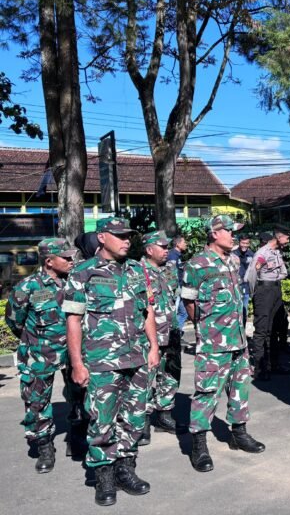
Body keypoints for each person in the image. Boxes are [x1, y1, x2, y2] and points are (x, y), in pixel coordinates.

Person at [63, 217, 160, 506]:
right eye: (119, 235)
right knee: (102, 421)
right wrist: (77, 364)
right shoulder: (83, 272)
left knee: (134, 418)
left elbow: (147, 312)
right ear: (102, 237)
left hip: (138, 358)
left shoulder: (136, 269)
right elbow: (74, 320)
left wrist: (153, 347)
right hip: (102, 361)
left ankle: (125, 468)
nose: (127, 240)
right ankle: (103, 474)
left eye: (129, 235)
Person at [182, 215, 264, 474]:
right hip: (213, 343)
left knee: (240, 388)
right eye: (229, 231)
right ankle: (198, 444)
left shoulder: (233, 260)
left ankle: (238, 433)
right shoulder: (197, 264)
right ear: (215, 233)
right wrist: (207, 329)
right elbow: (189, 302)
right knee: (206, 393)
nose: (234, 235)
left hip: (238, 340)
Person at [8, 238, 82, 473]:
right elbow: (14, 321)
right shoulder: (27, 287)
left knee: (79, 396)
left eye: (73, 257)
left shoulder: (76, 283)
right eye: (66, 258)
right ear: (49, 261)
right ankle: (44, 447)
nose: (72, 261)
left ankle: (76, 439)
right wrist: (38, 340)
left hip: (73, 353)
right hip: (40, 353)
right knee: (37, 402)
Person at [138, 231, 180, 446]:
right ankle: (143, 422)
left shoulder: (170, 270)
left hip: (171, 331)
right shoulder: (137, 271)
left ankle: (165, 415)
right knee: (145, 379)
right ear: (149, 250)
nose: (166, 251)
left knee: (170, 375)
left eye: (167, 247)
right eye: (162, 247)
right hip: (149, 336)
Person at [245, 225, 290, 380]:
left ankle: (274, 364)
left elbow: (283, 271)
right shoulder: (262, 253)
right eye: (286, 237)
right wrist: (256, 293)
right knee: (262, 330)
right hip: (264, 291)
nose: (288, 240)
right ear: (278, 237)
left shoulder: (277, 252)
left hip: (275, 290)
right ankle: (260, 367)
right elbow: (251, 275)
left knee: (276, 328)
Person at [166, 235, 188, 331]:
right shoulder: (172, 255)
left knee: (184, 312)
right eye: (184, 242)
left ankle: (177, 334)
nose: (186, 244)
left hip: (180, 288)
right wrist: (175, 290)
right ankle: (174, 335)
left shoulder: (177, 255)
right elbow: (169, 273)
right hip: (175, 289)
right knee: (174, 313)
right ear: (178, 244)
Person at [232, 234, 255, 324]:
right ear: (239, 242)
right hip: (235, 286)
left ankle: (243, 333)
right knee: (235, 311)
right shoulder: (233, 254)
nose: (244, 245)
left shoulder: (251, 254)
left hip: (246, 286)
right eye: (243, 243)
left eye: (247, 243)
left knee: (244, 310)